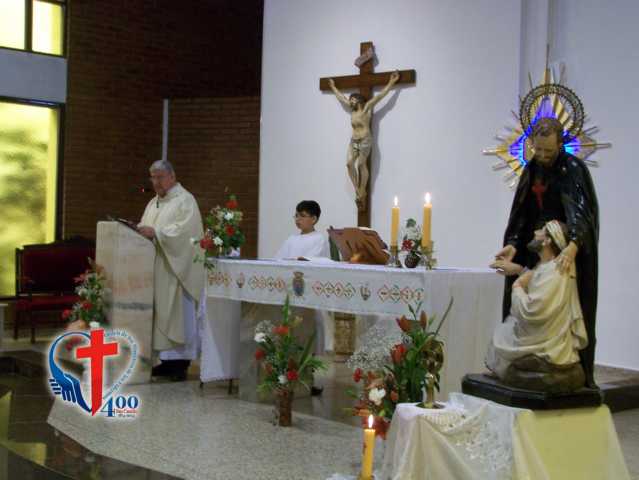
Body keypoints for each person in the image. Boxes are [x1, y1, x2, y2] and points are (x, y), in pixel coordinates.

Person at [493, 117, 599, 388]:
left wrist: (573, 246)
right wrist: (514, 244)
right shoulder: (532, 169)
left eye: (548, 151)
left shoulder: (572, 168)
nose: (541, 156)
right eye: (537, 149)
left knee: (553, 303)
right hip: (536, 246)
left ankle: (561, 360)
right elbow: (522, 213)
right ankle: (524, 356)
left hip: (562, 248)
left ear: (560, 144)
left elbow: (582, 212)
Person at [488, 221, 588, 392]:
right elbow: (537, 280)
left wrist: (517, 287)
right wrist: (519, 270)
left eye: (541, 230)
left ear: (548, 240)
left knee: (501, 339)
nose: (535, 232)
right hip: (538, 332)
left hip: (545, 339)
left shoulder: (556, 270)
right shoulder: (546, 267)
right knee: (502, 335)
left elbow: (534, 310)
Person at [138, 160, 205, 381]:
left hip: (176, 271)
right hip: (157, 268)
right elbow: (145, 227)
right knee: (160, 315)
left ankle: (179, 364)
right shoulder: (153, 203)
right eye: (153, 177)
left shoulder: (185, 200)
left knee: (177, 315)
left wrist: (157, 233)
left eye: (160, 177)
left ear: (172, 177)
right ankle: (164, 362)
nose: (156, 182)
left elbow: (186, 233)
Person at [275, 200, 333, 394]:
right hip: (289, 295)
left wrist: (299, 261)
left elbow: (317, 261)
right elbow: (277, 260)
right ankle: (288, 375)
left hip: (309, 296)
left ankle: (312, 379)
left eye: (302, 215)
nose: (298, 219)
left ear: (314, 219)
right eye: (296, 215)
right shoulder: (291, 239)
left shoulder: (319, 239)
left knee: (310, 336)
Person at [327, 71, 400, 207]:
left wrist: (391, 82)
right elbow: (341, 98)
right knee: (349, 164)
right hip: (354, 141)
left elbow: (380, 96)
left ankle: (362, 190)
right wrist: (333, 87)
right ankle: (357, 189)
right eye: (350, 100)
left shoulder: (366, 109)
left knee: (361, 164)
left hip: (365, 139)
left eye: (352, 100)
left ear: (358, 100)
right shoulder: (353, 111)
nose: (350, 101)